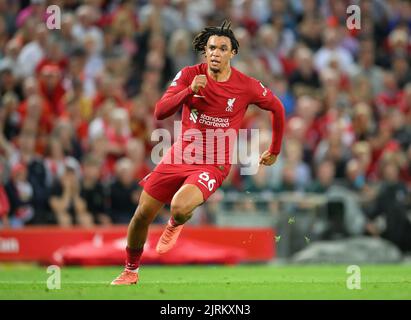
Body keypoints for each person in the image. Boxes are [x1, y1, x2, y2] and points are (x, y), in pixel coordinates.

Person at [111, 21, 285, 285]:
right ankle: (130, 271)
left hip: (214, 163)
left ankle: (176, 223)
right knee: (141, 215)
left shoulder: (246, 85)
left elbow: (278, 108)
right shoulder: (189, 74)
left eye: (222, 48)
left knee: (180, 207)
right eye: (211, 48)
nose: (215, 52)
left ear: (232, 53)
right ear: (205, 51)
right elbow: (160, 111)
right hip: (180, 154)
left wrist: (274, 150)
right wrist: (188, 91)